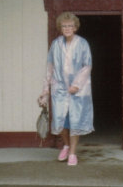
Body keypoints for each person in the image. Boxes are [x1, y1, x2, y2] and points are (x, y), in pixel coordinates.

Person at [37, 12, 94, 166]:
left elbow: (87, 66)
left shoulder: (82, 44)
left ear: (75, 27)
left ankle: (73, 153)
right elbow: (49, 67)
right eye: (64, 26)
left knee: (75, 121)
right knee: (60, 120)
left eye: (70, 25)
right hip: (60, 88)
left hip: (78, 89)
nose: (67, 28)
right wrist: (45, 90)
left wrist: (76, 85)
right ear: (60, 28)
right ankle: (67, 145)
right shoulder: (56, 44)